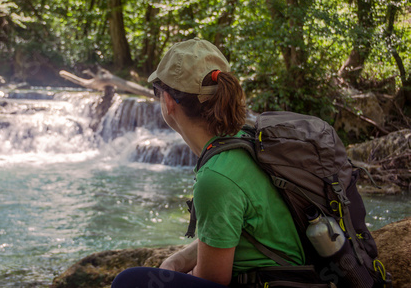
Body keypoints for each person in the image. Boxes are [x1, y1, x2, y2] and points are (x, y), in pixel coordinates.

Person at [111, 38, 305, 288]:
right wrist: (176, 262)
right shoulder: (247, 140)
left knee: (129, 282)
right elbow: (231, 233)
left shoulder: (216, 178)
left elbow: (213, 279)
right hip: (298, 277)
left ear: (168, 102)